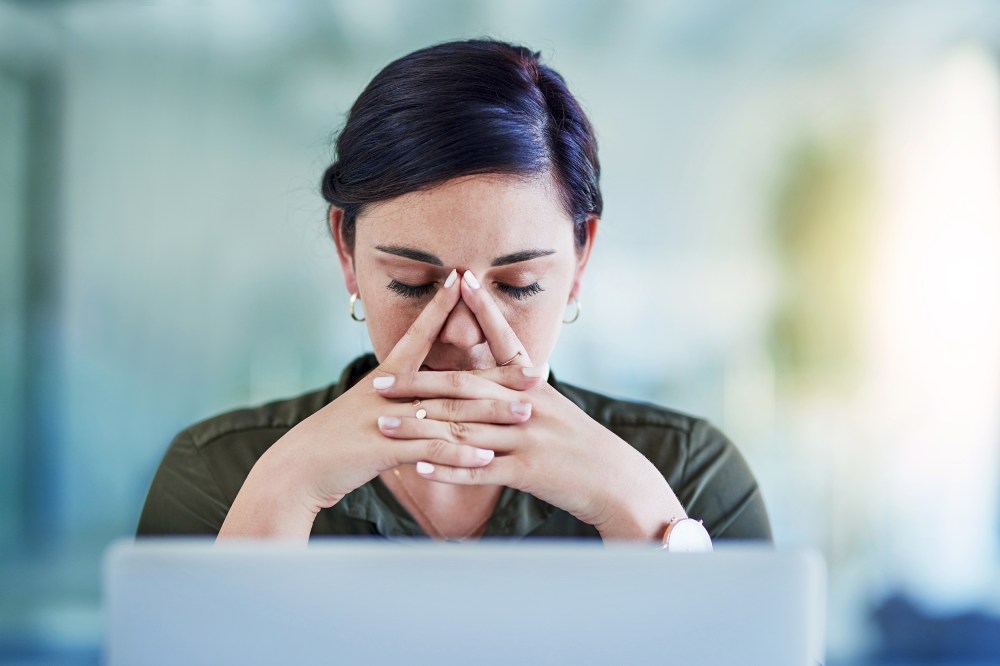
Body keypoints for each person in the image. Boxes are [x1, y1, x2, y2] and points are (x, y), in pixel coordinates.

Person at [137, 39, 771, 545]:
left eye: (518, 284)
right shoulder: (218, 472)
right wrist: (282, 491)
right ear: (347, 252)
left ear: (580, 260)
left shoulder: (690, 475)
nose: (464, 333)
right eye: (413, 284)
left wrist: (642, 516)